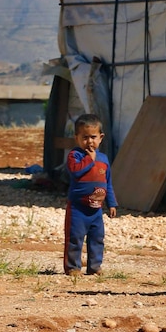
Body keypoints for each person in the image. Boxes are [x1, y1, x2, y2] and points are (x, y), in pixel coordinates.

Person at [64, 113, 118, 276]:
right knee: (75, 238)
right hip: (78, 209)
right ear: (77, 138)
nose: (89, 141)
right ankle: (73, 267)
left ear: (101, 137)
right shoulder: (75, 156)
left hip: (96, 210)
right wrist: (89, 159)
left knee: (97, 239)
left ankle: (95, 267)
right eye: (84, 137)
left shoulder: (103, 159)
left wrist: (112, 203)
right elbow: (75, 171)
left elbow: (107, 183)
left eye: (93, 137)